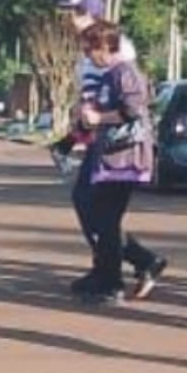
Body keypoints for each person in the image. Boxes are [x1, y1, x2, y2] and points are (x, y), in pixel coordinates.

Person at [54, 0, 166, 300]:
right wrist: (73, 134)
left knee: (100, 211)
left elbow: (131, 105)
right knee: (94, 208)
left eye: (76, 12)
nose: (70, 20)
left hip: (121, 151)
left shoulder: (119, 59)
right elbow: (93, 101)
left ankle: (113, 274)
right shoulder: (92, 56)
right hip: (103, 143)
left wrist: (96, 121)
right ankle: (112, 268)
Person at [72, 20, 156, 305]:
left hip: (125, 159)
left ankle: (112, 282)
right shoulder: (111, 74)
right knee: (101, 218)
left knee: (105, 220)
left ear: (106, 46)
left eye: (90, 49)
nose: (88, 56)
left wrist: (101, 118)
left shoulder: (126, 73)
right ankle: (122, 270)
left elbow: (133, 110)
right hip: (109, 157)